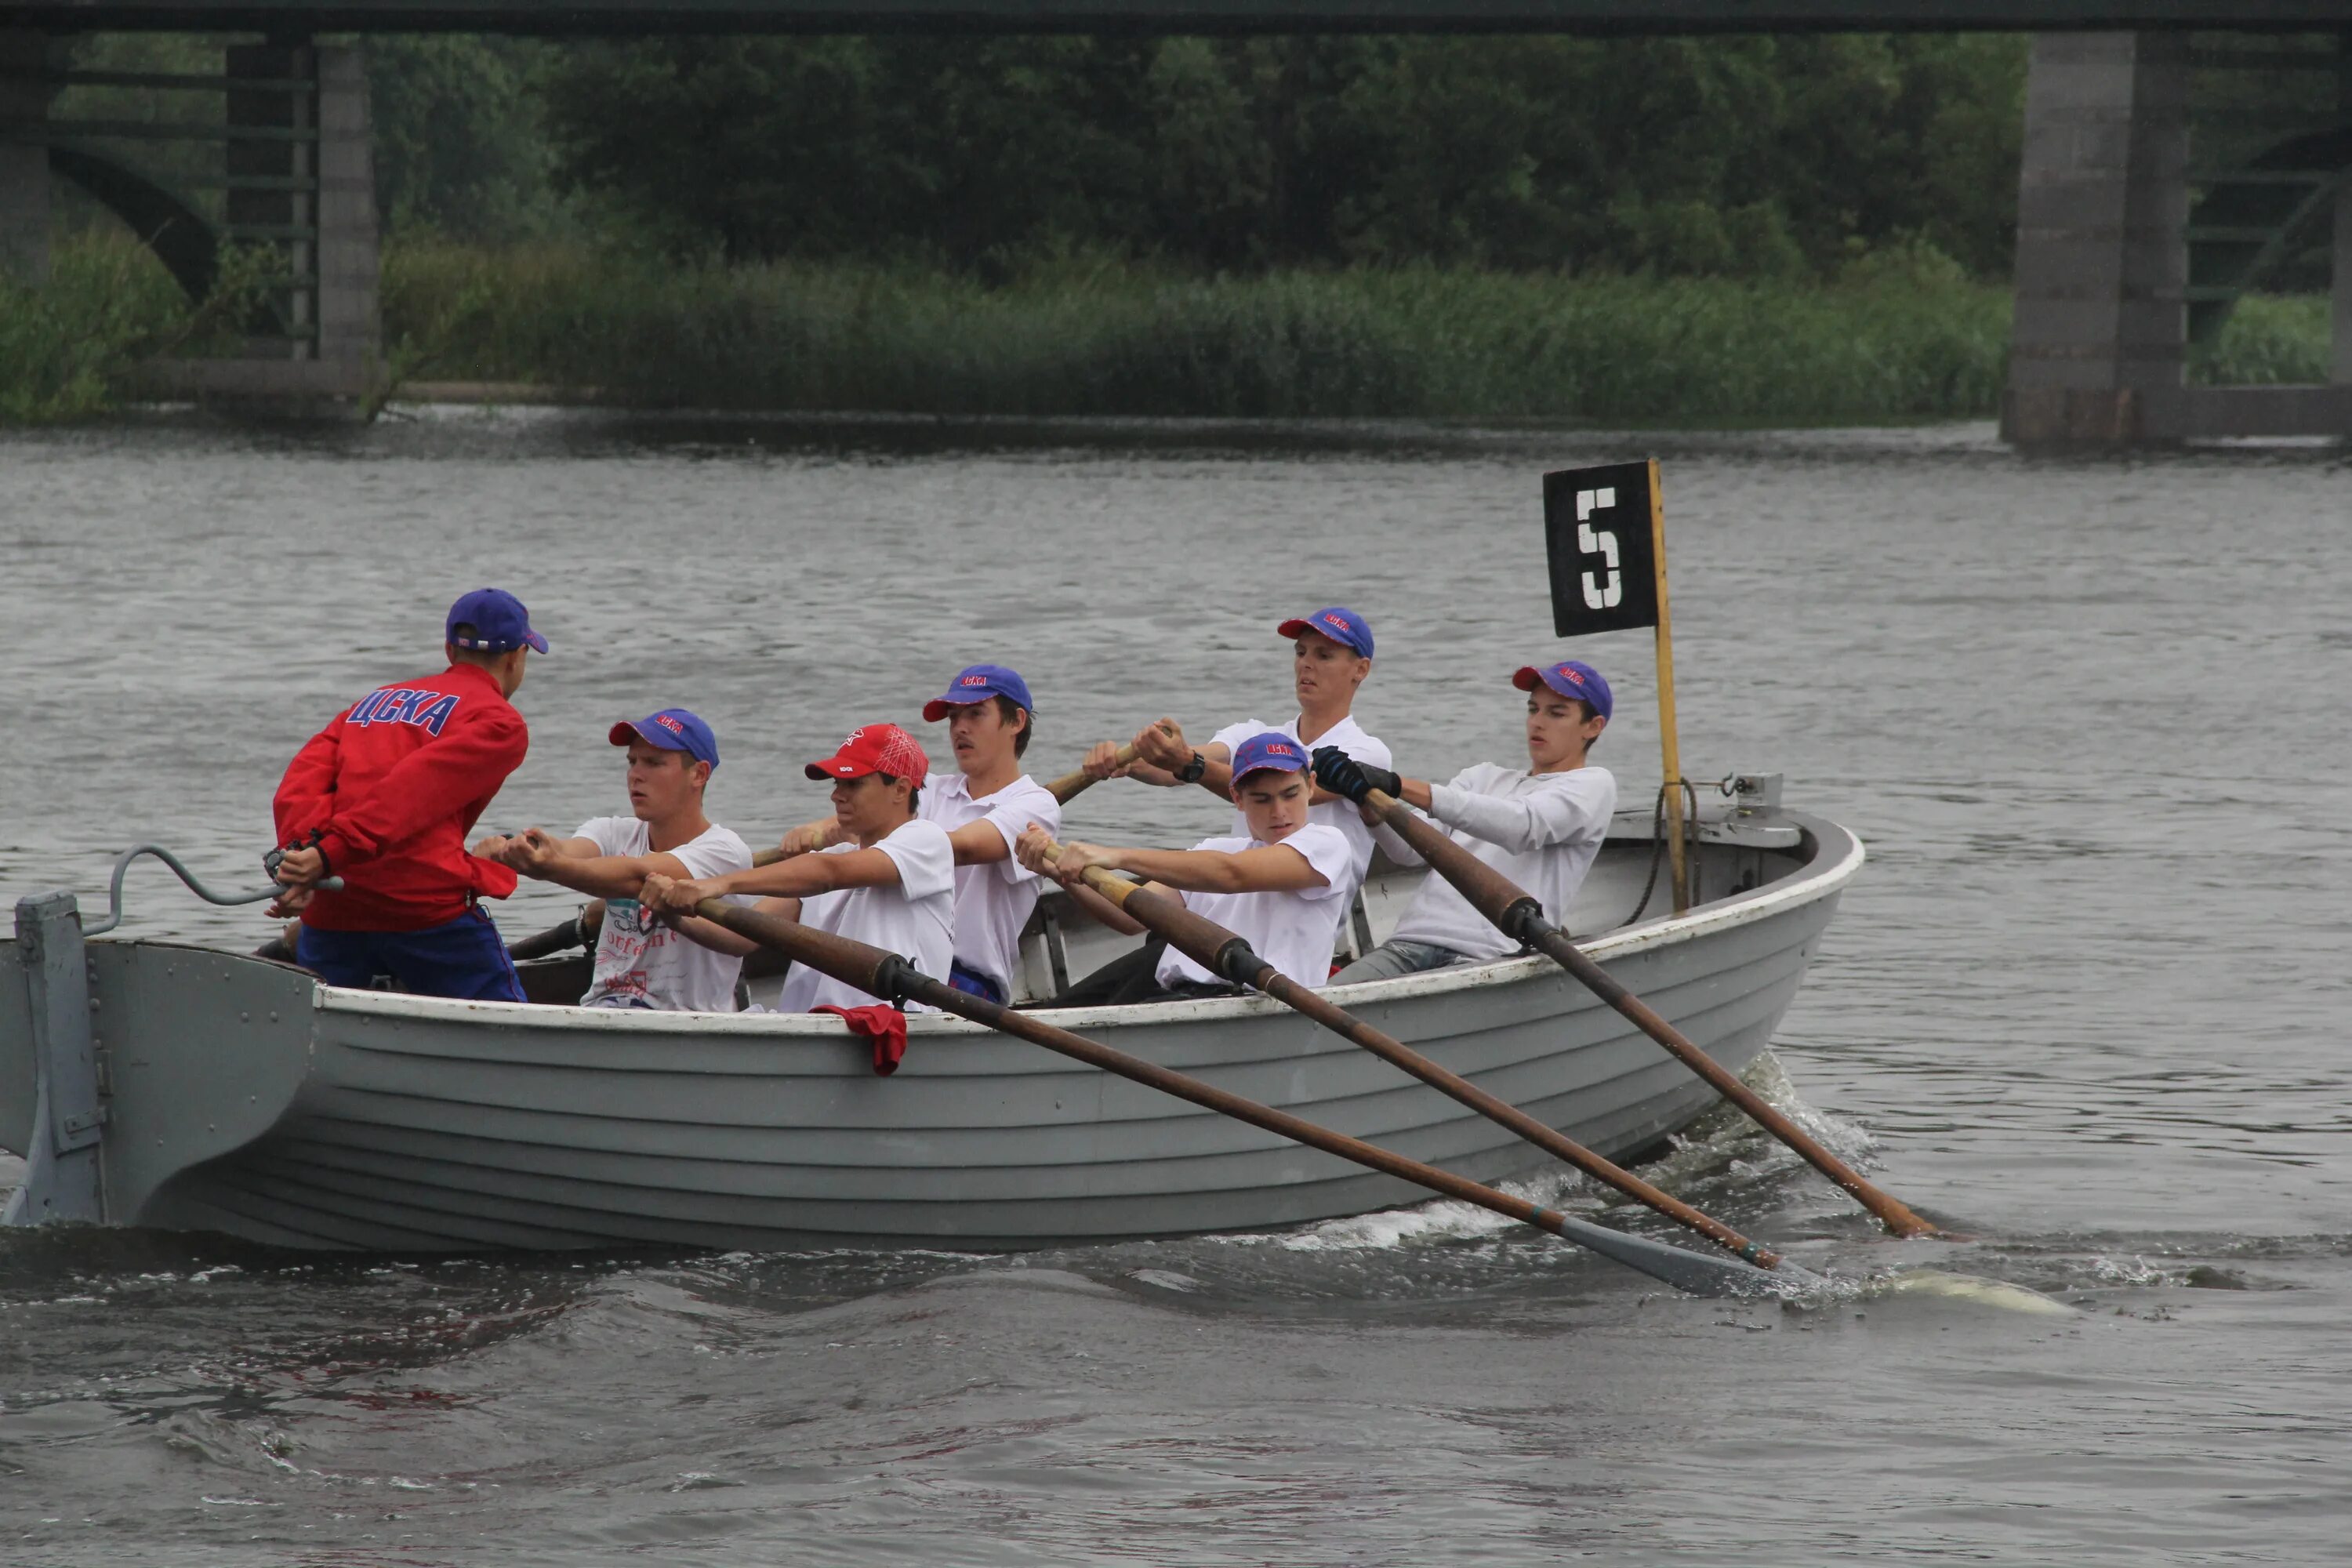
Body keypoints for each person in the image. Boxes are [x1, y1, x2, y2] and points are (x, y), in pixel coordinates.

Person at [268, 588, 544, 1000]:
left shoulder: (371, 702)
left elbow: (301, 784)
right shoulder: (499, 723)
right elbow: (411, 791)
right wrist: (321, 859)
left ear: (450, 650)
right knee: (512, 1033)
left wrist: (301, 857)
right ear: (516, 656)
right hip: (422, 911)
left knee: (317, 1026)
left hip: (335, 906)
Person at [1314, 659, 1617, 985]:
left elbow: (1521, 827)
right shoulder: (1482, 776)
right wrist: (1366, 800)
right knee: (1322, 1004)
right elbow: (1409, 851)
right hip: (1407, 946)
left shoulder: (1593, 786)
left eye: (1556, 713)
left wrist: (1397, 785)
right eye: (1533, 709)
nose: (1538, 723)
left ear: (1593, 726)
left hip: (1489, 957)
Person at [769, 665, 1059, 1005]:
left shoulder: (1035, 805)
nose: (959, 729)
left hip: (964, 982)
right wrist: (820, 830)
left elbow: (960, 848)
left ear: (1016, 722)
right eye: (953, 717)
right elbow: (869, 817)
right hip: (895, 959)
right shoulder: (931, 788)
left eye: (975, 715)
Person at [1082, 604, 1391, 905]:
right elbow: (1176, 768)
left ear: (1360, 670)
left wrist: (1188, 764)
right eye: (1300, 652)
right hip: (1231, 904)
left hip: (1298, 911)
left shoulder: (1367, 754)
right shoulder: (1253, 735)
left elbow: (1266, 785)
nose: (1305, 664)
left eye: (1324, 655)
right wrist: (1130, 761)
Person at [1017, 732, 1353, 1005]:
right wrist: (1056, 869)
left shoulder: (1326, 845)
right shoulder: (1213, 851)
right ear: (1238, 799)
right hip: (1174, 1000)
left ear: (1310, 786)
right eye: (1262, 800)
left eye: (1290, 794)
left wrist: (1116, 856)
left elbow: (1232, 875)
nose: (1279, 811)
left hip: (1263, 1006)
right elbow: (1128, 917)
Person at [641, 724, 954, 1014]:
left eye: (853, 783)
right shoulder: (832, 859)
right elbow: (737, 939)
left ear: (900, 789)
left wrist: (719, 885)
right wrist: (671, 912)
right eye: (837, 783)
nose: (836, 795)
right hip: (815, 1028)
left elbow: (828, 873)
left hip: (890, 1030)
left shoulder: (926, 842)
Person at [481, 709, 753, 1012]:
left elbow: (635, 876)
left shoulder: (724, 850)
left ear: (699, 774)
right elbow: (568, 852)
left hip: (687, 1021)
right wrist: (519, 849)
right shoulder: (611, 831)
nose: (636, 774)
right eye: (632, 761)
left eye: (654, 763)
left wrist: (551, 867)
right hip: (604, 1009)